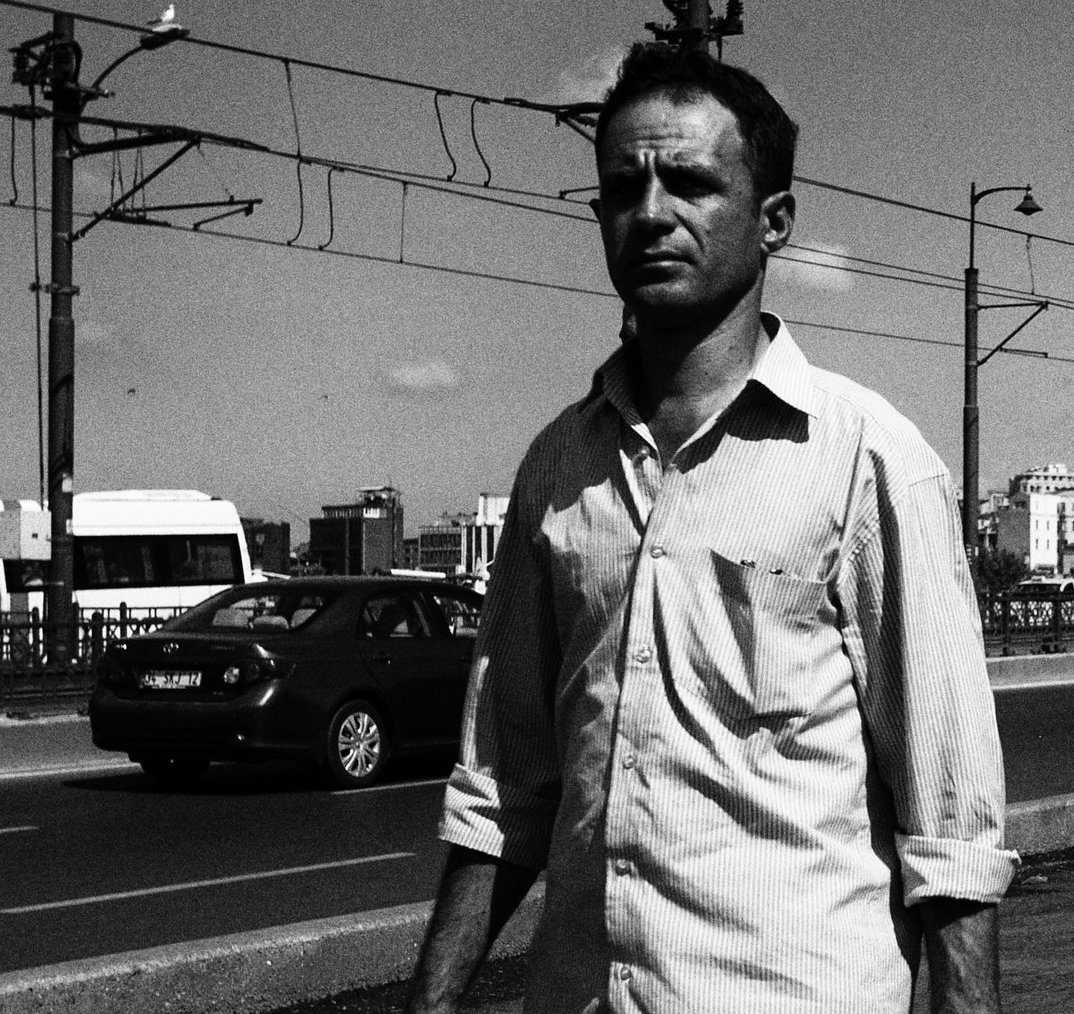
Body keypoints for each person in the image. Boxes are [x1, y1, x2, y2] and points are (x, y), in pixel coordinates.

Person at [406, 43, 1016, 1014]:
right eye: (621, 187)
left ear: (773, 220)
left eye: (690, 182)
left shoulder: (868, 460)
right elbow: (504, 791)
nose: (651, 212)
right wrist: (431, 1002)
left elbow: (950, 821)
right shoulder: (558, 470)